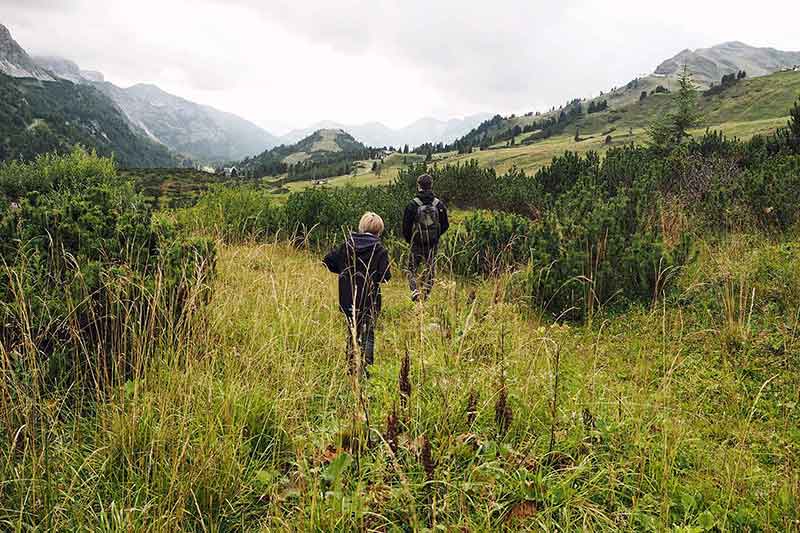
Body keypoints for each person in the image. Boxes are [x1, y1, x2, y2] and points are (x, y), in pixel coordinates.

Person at [323, 212, 391, 375]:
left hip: (348, 299)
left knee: (352, 332)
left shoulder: (347, 244)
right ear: (378, 231)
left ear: (361, 227)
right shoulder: (379, 248)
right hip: (370, 300)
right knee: (368, 335)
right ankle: (367, 371)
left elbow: (327, 261)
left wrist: (344, 271)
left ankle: (352, 369)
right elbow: (385, 277)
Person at [402, 173, 449, 302]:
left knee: (411, 269)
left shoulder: (412, 205)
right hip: (432, 244)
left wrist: (411, 240)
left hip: (416, 243)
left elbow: (405, 227)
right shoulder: (438, 205)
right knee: (430, 270)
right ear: (431, 185)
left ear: (418, 186)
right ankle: (426, 296)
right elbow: (445, 225)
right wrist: (435, 236)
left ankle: (415, 291)